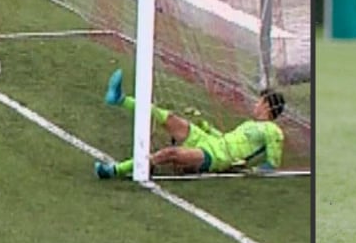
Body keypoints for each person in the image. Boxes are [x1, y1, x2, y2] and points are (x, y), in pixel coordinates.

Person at [94, 68, 285, 177]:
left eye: (260, 101)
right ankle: (120, 99)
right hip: (211, 142)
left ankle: (114, 170)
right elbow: (226, 139)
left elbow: (272, 163)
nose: (256, 104)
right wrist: (207, 127)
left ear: (268, 106)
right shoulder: (250, 124)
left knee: (170, 154)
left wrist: (251, 170)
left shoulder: (273, 131)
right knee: (168, 118)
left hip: (217, 158)